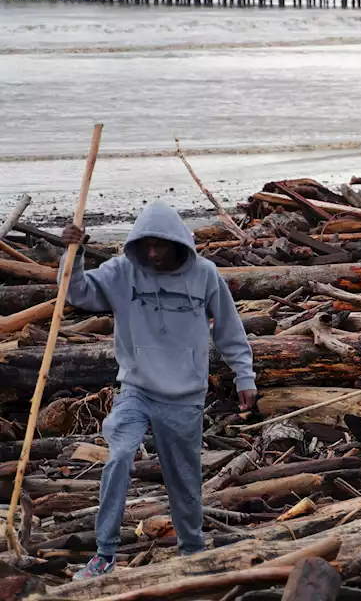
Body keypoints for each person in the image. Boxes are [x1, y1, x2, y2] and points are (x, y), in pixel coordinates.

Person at [62, 201, 256, 580]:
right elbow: (79, 294)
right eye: (146, 245)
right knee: (118, 456)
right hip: (136, 387)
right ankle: (104, 553)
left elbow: (229, 329)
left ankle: (192, 550)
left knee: (184, 478)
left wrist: (243, 375)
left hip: (185, 396)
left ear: (177, 243)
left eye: (160, 245)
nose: (152, 253)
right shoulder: (122, 271)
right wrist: (74, 254)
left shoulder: (204, 274)